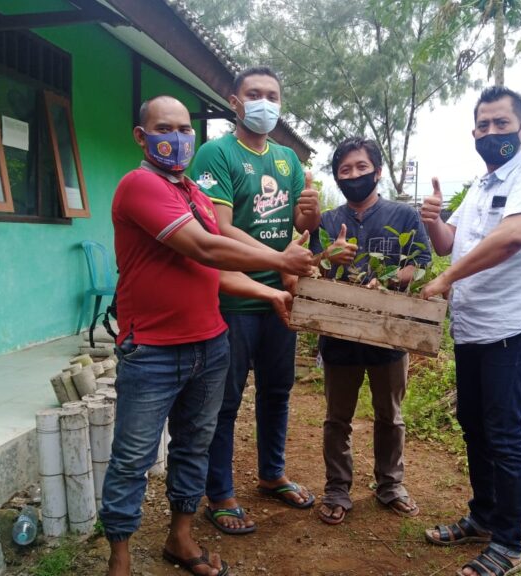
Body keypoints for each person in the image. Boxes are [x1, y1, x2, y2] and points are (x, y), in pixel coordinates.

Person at [99, 95, 314, 576]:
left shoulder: (193, 192)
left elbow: (208, 270)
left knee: (194, 446)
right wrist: (280, 261)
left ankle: (180, 537)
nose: (175, 138)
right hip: (152, 348)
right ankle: (119, 559)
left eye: (183, 129)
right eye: (163, 128)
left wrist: (270, 295)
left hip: (209, 344)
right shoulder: (139, 185)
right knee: (133, 456)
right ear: (142, 136)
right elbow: (204, 246)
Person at [419, 86, 521, 576]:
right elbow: (447, 245)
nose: (491, 133)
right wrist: (434, 220)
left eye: (501, 124)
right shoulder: (480, 186)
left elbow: (515, 236)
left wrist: (447, 278)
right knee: (474, 424)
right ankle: (483, 516)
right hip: (473, 327)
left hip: (512, 324)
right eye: (483, 125)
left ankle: (508, 543)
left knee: (503, 434)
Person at [191, 66, 321, 535]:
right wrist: (279, 259)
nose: (264, 102)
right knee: (224, 401)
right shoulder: (215, 154)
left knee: (277, 393)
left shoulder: (288, 160)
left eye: (272, 95)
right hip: (232, 298)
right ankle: (219, 493)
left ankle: (271, 474)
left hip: (279, 300)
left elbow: (298, 229)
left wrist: (307, 227)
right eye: (254, 94)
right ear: (235, 101)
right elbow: (219, 229)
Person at [309, 137, 432, 525]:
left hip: (390, 332)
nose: (354, 175)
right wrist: (326, 257)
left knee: (390, 415)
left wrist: (394, 278)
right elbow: (309, 267)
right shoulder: (327, 222)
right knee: (337, 417)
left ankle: (390, 485)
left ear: (377, 171)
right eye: (345, 170)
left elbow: (423, 261)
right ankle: (337, 488)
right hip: (339, 333)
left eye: (361, 167)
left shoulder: (404, 216)